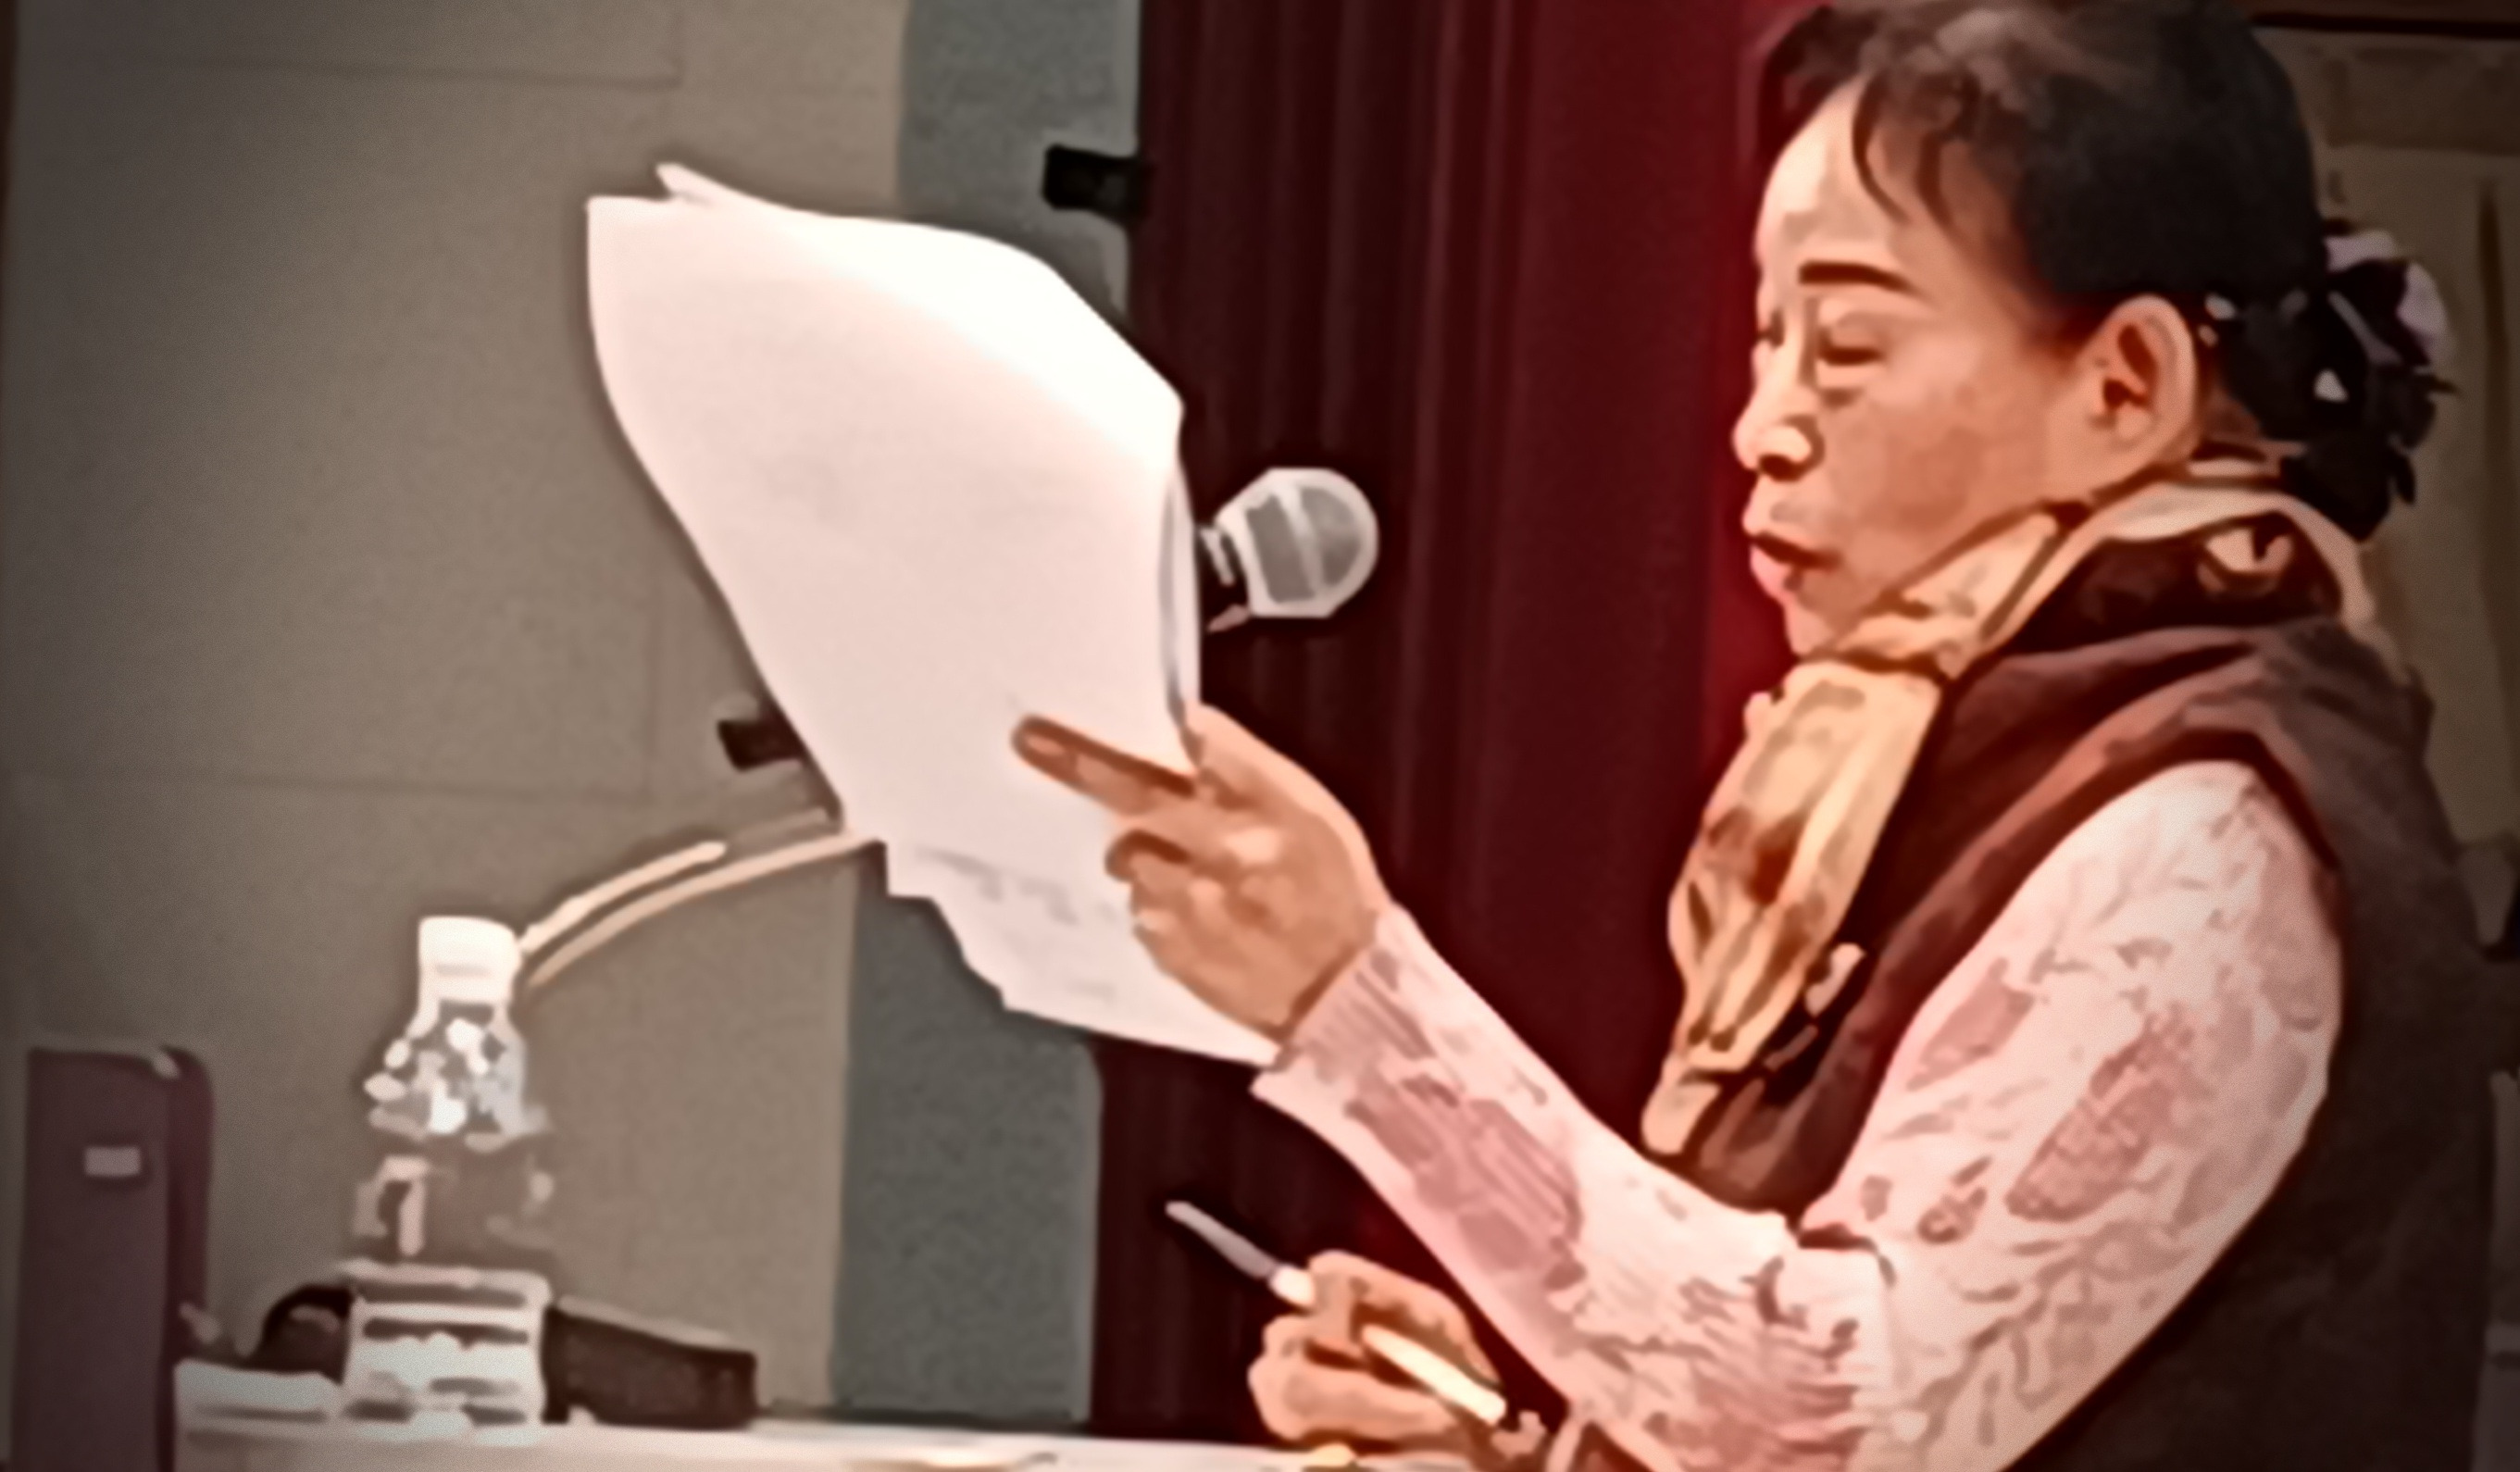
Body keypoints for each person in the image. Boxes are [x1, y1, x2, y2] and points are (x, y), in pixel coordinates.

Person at [1017, 0, 2493, 1466]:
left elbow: (1837, 1418)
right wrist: (1532, 1442)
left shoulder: (2206, 835)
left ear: (2126, 388)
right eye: (1768, 338)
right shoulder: (1989, 744)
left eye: (1844, 345)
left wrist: (1359, 994)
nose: (1761, 426)